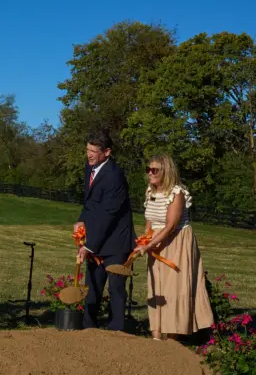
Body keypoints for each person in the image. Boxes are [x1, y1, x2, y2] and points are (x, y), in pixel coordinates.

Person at [134, 154, 214, 340]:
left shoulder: (177, 194)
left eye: (155, 170)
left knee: (174, 289)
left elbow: (170, 226)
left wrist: (149, 245)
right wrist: (144, 240)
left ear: (166, 171)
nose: (150, 173)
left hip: (176, 243)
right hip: (157, 242)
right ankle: (156, 336)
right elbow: (150, 221)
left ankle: (172, 339)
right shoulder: (150, 192)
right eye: (149, 169)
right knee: (156, 287)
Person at [74, 130, 135, 331]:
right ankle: (88, 328)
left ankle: (117, 331)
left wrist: (89, 246)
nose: (89, 154)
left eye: (94, 151)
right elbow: (91, 203)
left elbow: (108, 215)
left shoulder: (114, 177)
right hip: (97, 238)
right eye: (87, 150)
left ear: (107, 152)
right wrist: (81, 221)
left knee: (116, 288)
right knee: (93, 286)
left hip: (116, 241)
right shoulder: (90, 168)